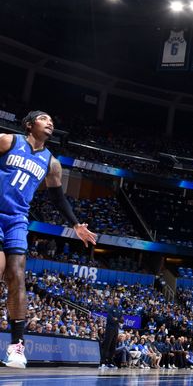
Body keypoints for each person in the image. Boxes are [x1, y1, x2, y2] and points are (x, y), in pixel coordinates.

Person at [0, 110, 97, 368]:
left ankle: (17, 347)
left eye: (52, 120)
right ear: (30, 125)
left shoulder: (51, 162)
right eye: (44, 118)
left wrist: (76, 225)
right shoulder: (9, 141)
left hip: (17, 220)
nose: (50, 122)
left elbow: (57, 197)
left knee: (17, 275)